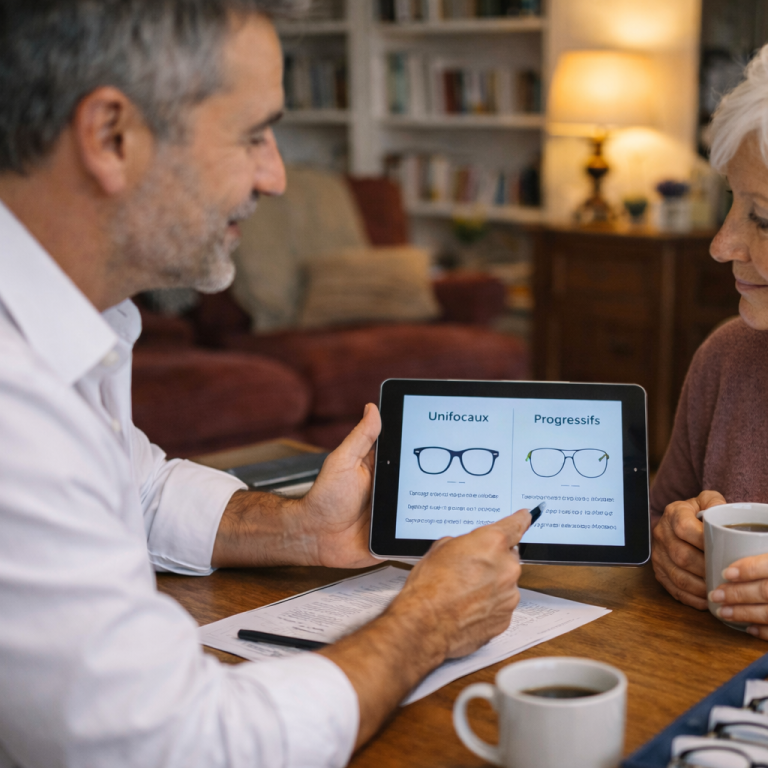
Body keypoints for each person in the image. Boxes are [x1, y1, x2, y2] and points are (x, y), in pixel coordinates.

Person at [0, 2, 532, 767]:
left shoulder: (79, 321)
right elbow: (183, 746)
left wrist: (301, 531)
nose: (276, 176)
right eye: (253, 134)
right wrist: (427, 622)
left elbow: (132, 489)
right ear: (112, 136)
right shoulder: (13, 402)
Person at [651, 43, 768, 640]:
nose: (721, 244)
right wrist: (673, 546)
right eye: (732, 202)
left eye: (763, 217)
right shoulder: (728, 355)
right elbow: (658, 512)